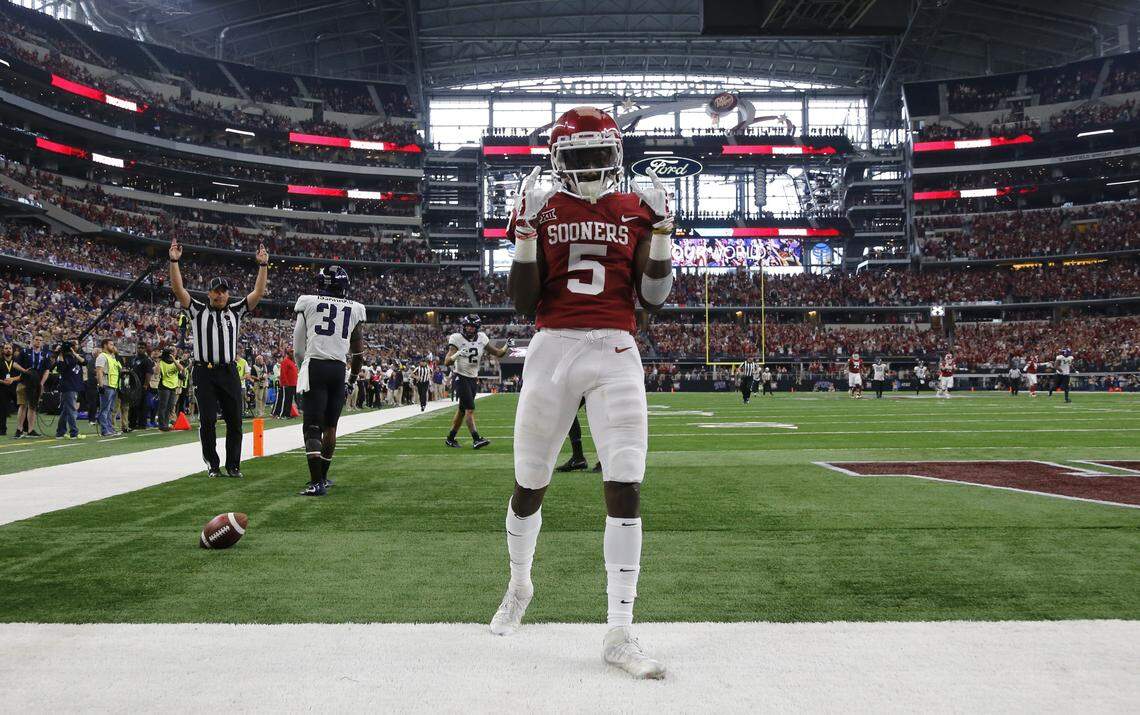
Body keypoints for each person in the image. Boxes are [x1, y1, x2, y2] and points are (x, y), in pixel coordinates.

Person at [492, 107, 673, 678]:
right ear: (559, 159)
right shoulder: (542, 208)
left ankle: (620, 629)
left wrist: (664, 233)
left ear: (615, 154)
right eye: (581, 154)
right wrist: (523, 236)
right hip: (551, 346)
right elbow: (524, 302)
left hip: (617, 347)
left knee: (626, 479)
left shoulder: (635, 208)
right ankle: (520, 582)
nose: (593, 165)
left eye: (601, 153)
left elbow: (656, 296)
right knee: (530, 482)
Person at [169, 237, 268, 478]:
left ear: (228, 294)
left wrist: (263, 266)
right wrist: (173, 261)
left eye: (224, 291)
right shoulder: (197, 310)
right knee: (208, 421)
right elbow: (178, 290)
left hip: (228, 370)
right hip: (204, 372)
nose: (220, 295)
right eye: (216, 291)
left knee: (235, 420)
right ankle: (213, 465)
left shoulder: (236, 310)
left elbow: (257, 293)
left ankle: (233, 465)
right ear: (209, 292)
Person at [292, 266, 366, 497]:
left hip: (316, 365)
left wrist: (302, 367)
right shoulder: (355, 308)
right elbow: (358, 354)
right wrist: (352, 379)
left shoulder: (308, 302)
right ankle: (322, 476)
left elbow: (298, 348)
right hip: (338, 368)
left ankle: (316, 482)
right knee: (331, 427)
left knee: (312, 428)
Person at [443, 314, 510, 448]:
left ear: (477, 327)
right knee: (470, 409)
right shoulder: (456, 338)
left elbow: (498, 353)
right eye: (467, 326)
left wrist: (507, 346)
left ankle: (450, 438)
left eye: (472, 326)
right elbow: (446, 361)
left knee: (462, 411)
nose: (469, 329)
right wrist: (457, 354)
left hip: (473, 378)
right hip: (460, 376)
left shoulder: (482, 338)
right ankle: (476, 438)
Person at [16, 335, 51, 437]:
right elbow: (15, 364)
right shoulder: (24, 352)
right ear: (32, 341)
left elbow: (47, 370)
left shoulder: (45, 355)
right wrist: (25, 371)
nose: (38, 342)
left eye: (40, 340)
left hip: (37, 384)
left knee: (33, 407)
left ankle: (30, 430)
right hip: (24, 382)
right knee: (23, 405)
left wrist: (41, 383)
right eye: (36, 340)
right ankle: (19, 429)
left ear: (42, 343)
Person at [53, 341, 86, 439]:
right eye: (75, 345)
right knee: (72, 410)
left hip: (74, 386)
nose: (77, 346)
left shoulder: (75, 356)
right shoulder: (63, 357)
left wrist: (74, 353)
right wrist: (60, 354)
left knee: (66, 411)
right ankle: (74, 433)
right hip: (68, 387)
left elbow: (85, 362)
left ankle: (60, 432)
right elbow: (61, 369)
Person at [94, 338, 121, 437]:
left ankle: (110, 428)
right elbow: (99, 371)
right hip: (106, 385)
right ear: (105, 345)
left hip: (113, 386)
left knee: (110, 409)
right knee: (105, 409)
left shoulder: (112, 357)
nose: (113, 346)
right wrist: (100, 385)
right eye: (111, 344)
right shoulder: (102, 356)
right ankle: (104, 430)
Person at [156, 348, 182, 430]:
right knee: (163, 406)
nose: (172, 355)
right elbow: (156, 372)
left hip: (173, 386)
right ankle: (162, 425)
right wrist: (158, 361)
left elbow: (181, 368)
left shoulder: (175, 362)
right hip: (164, 386)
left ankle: (166, 424)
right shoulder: (161, 362)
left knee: (170, 406)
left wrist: (174, 360)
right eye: (171, 354)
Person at [1, 343, 20, 436]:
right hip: (2, 388)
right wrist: (2, 381)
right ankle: (2, 430)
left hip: (15, 387)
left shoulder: (17, 361)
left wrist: (12, 379)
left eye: (9, 348)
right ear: (3, 350)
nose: (8, 350)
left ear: (12, 350)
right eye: (6, 348)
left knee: (21, 408)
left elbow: (22, 375)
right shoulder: (0, 361)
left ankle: (25, 428)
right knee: (2, 409)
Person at [275, 349, 298, 418]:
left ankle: (287, 414)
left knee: (290, 400)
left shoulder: (291, 362)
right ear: (288, 354)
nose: (293, 355)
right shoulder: (285, 361)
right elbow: (283, 373)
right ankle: (282, 414)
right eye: (292, 353)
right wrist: (285, 383)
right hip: (287, 384)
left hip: (293, 384)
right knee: (285, 400)